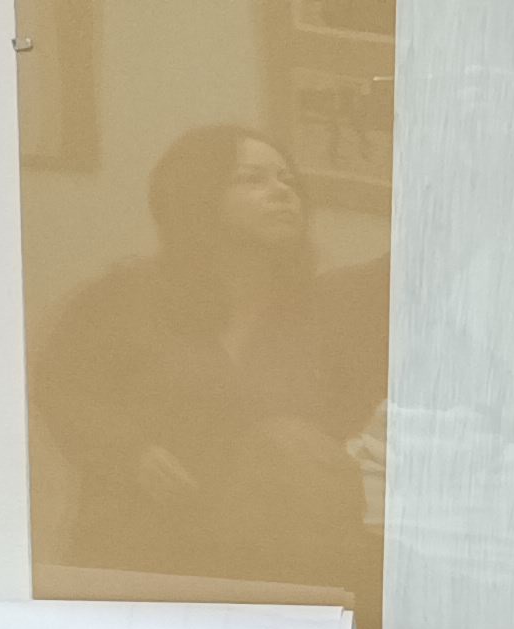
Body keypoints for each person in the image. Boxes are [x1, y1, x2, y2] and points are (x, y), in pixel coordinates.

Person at [33, 123, 381, 592]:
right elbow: (61, 388)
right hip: (142, 557)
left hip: (278, 571)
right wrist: (129, 450)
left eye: (288, 180)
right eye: (252, 179)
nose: (282, 192)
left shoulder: (321, 314)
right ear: (196, 196)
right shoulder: (123, 300)